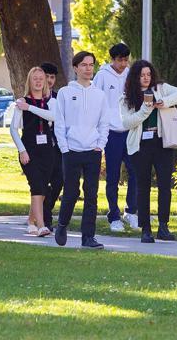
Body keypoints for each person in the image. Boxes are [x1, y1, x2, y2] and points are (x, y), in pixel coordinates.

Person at [120, 59, 177, 243]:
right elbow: (127, 122)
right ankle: (145, 229)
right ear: (135, 76)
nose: (146, 78)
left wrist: (163, 101)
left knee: (165, 185)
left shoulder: (161, 88)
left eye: (148, 74)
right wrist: (145, 109)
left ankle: (163, 227)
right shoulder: (127, 96)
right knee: (143, 187)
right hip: (140, 146)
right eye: (142, 75)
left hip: (161, 143)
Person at [54, 50, 109, 249]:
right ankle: (62, 224)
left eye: (91, 64)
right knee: (71, 192)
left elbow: (104, 123)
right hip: (71, 151)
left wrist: (99, 145)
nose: (88, 68)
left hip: (92, 151)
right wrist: (65, 148)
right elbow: (59, 123)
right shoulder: (65, 93)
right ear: (76, 68)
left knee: (92, 194)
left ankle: (88, 237)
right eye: (84, 65)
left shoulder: (99, 95)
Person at [94, 42, 137, 232]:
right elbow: (96, 103)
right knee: (112, 176)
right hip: (111, 133)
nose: (124, 64)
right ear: (113, 59)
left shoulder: (130, 75)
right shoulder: (102, 76)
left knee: (134, 173)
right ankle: (114, 216)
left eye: (126, 60)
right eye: (120, 60)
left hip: (130, 130)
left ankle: (131, 212)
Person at [11, 67, 57, 236]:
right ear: (29, 81)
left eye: (41, 78)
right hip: (29, 150)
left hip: (47, 151)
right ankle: (41, 225)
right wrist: (22, 150)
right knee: (36, 186)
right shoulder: (21, 101)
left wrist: (29, 108)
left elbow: (53, 117)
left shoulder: (50, 102)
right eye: (34, 79)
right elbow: (13, 130)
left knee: (43, 188)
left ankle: (31, 220)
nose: (38, 82)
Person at [40, 61, 62, 232]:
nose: (48, 80)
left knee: (58, 181)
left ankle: (46, 210)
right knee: (41, 184)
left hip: (56, 146)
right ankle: (44, 218)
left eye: (52, 77)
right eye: (46, 76)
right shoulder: (32, 97)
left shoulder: (58, 98)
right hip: (38, 147)